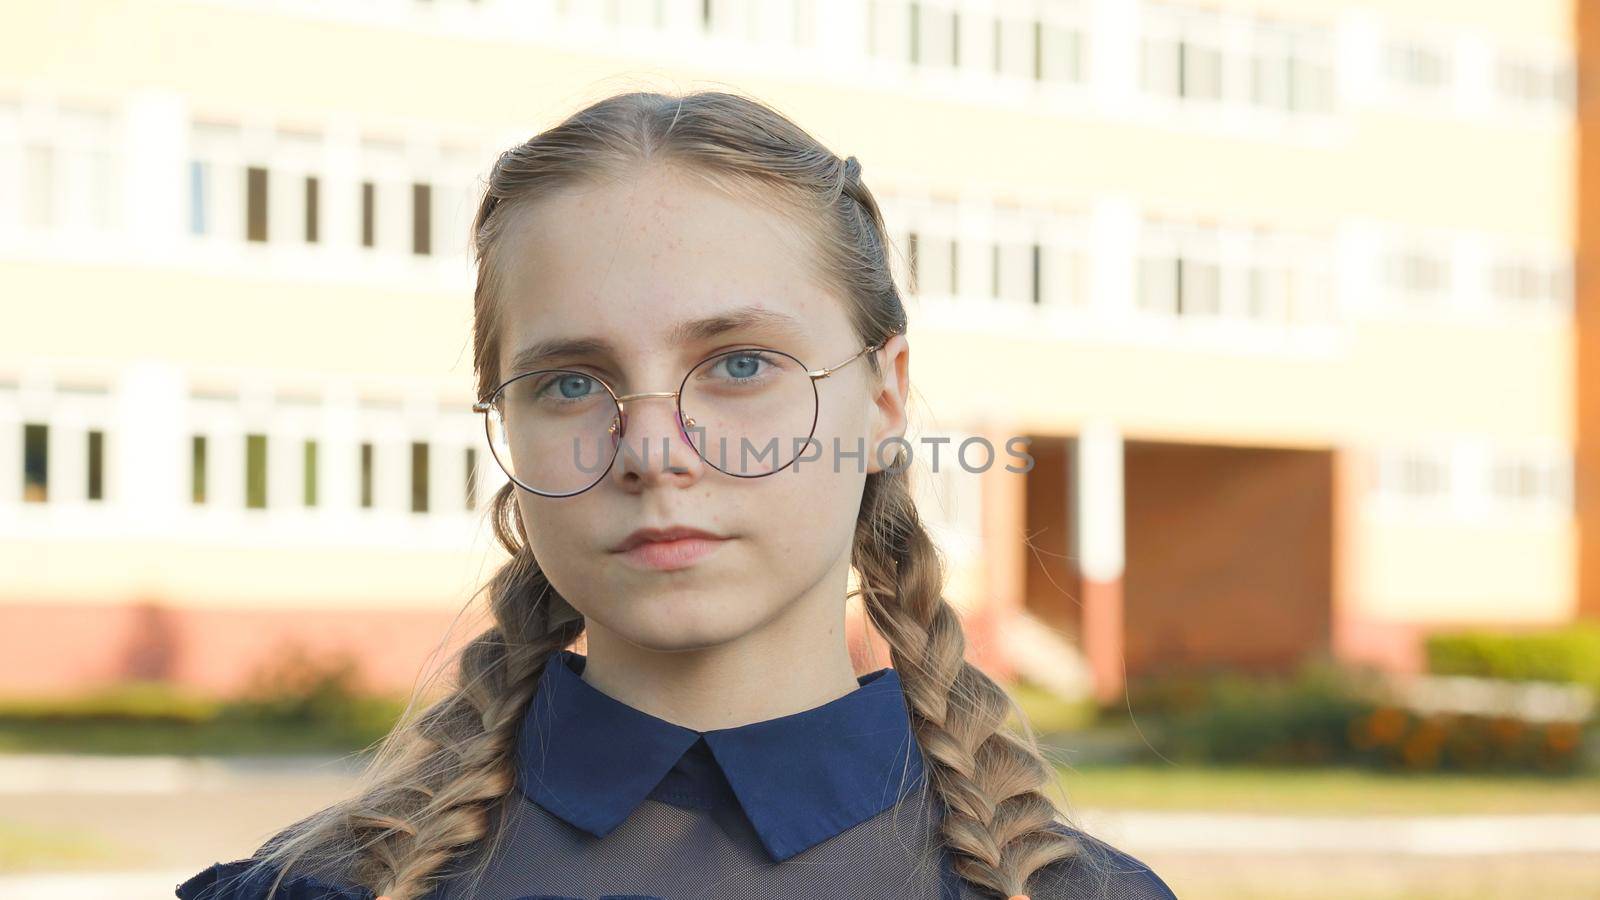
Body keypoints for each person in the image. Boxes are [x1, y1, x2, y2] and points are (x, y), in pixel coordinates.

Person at [176, 89, 1178, 900]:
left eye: (739, 364)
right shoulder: (308, 891)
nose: (652, 452)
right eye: (571, 382)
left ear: (884, 397)